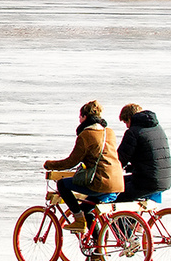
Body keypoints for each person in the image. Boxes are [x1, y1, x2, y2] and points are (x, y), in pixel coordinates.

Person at [44, 99, 124, 231]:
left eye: (80, 117)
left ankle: (78, 219)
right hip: (117, 182)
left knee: (62, 184)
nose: (79, 121)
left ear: (85, 117)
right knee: (87, 209)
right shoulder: (109, 132)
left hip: (100, 182)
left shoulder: (86, 135)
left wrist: (50, 164)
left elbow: (71, 162)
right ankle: (97, 248)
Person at [117, 103, 171, 203]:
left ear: (130, 119)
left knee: (116, 193)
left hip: (147, 182)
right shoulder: (157, 128)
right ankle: (132, 217)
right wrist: (132, 167)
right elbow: (150, 157)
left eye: (126, 122)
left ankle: (127, 218)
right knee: (124, 182)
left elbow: (121, 159)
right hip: (165, 179)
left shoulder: (133, 132)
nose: (126, 126)